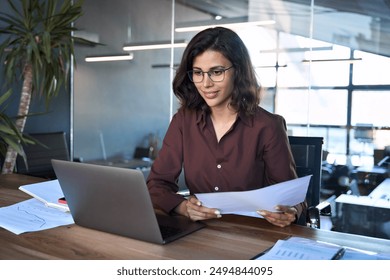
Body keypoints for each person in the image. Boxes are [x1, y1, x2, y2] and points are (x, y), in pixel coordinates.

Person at [147, 27, 306, 227]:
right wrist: (183, 207)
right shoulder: (183, 121)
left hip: (253, 234)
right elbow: (157, 184)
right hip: (200, 233)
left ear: (237, 71)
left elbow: (293, 197)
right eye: (198, 73)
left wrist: (290, 211)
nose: (206, 83)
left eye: (216, 72)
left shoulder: (267, 126)